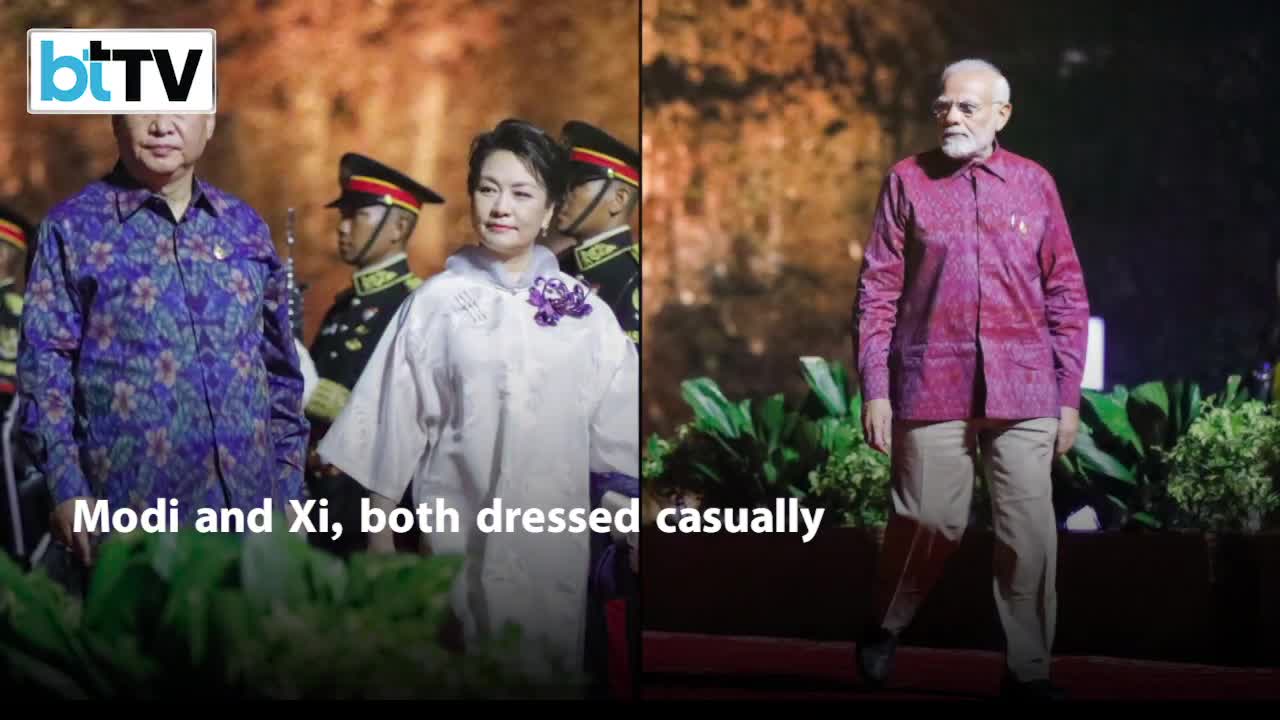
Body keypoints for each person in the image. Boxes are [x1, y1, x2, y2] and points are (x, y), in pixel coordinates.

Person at [316, 118, 639, 689]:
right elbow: (391, 429)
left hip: (555, 550)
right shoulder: (436, 303)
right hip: (455, 541)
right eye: (488, 189)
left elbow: (613, 448)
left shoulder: (586, 315)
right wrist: (382, 540)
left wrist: (632, 529)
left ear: (550, 209)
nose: (501, 207)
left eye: (521, 193)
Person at [853, 59, 1089, 701]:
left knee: (1029, 533)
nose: (951, 118)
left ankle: (1029, 671)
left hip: (1026, 385)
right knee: (931, 519)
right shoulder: (907, 181)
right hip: (931, 381)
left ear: (1001, 115)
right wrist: (876, 387)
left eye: (967, 107)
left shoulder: (1035, 184)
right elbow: (877, 290)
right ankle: (885, 623)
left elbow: (1066, 291)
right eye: (943, 107)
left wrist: (1067, 398)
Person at [18, 114, 310, 566]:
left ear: (210, 122)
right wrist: (66, 487)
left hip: (255, 515)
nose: (161, 125)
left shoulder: (244, 227)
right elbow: (45, 367)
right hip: (133, 520)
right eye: (143, 105)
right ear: (116, 121)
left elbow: (280, 370)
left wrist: (290, 485)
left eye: (179, 103)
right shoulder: (70, 230)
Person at [303, 153, 444, 555]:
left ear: (399, 225)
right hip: (322, 503)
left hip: (373, 510)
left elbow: (416, 418)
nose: (342, 228)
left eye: (356, 215)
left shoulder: (416, 306)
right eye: (342, 215)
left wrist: (329, 401)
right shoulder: (343, 306)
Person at [549, 121, 640, 346]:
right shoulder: (556, 266)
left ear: (619, 200)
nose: (562, 196)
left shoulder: (632, 276)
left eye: (576, 185)